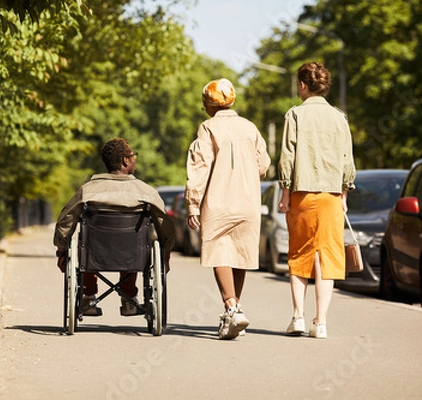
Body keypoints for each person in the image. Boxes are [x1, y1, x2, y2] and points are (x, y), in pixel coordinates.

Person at [186, 78, 271, 340]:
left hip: (219, 201)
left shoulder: (208, 128)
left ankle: (232, 308)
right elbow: (263, 165)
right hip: (248, 202)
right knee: (240, 255)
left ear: (210, 105)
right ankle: (234, 310)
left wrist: (192, 203)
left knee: (221, 253)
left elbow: (200, 166)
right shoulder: (250, 127)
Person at [278, 61, 356, 339]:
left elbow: (287, 157)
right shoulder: (339, 117)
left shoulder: (295, 115)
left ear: (302, 85)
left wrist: (285, 193)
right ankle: (320, 323)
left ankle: (298, 317)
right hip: (332, 196)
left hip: (302, 194)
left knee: (300, 254)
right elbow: (347, 160)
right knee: (327, 257)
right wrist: (344, 193)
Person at [53, 138, 175, 316]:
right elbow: (165, 228)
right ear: (126, 160)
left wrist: (62, 250)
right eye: (133, 156)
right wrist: (166, 253)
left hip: (95, 253)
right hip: (133, 254)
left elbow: (65, 222)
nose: (135, 159)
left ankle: (88, 296)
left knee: (85, 242)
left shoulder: (87, 191)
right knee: (134, 243)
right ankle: (128, 298)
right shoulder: (146, 192)